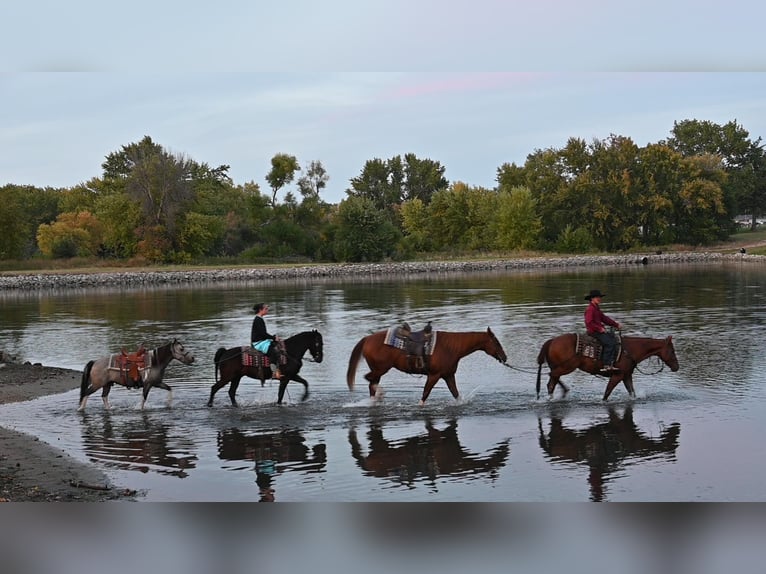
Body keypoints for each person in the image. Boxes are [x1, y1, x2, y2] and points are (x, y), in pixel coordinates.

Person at [584, 289, 621, 371]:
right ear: (592, 299)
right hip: (594, 332)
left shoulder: (596, 308)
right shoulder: (590, 309)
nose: (599, 299)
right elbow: (589, 322)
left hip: (597, 331)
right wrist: (599, 328)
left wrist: (616, 324)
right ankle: (606, 364)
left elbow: (604, 319)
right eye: (597, 297)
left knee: (612, 338)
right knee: (610, 343)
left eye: (599, 297)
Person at [251, 303, 281, 378]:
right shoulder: (258, 320)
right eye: (266, 309)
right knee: (273, 352)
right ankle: (274, 373)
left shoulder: (259, 319)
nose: (267, 310)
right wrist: (274, 338)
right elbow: (263, 334)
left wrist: (273, 337)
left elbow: (263, 334)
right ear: (261, 310)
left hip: (262, 341)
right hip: (258, 343)